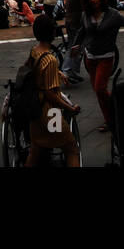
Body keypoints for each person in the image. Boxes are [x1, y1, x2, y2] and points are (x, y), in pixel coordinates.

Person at [70, 0, 124, 132]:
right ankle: (110, 119)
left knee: (100, 88)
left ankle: (118, 108)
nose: (93, 0)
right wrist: (76, 45)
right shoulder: (86, 15)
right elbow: (82, 31)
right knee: (98, 91)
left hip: (106, 57)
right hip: (90, 57)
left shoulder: (113, 15)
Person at [25, 14, 81, 167]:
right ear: (53, 33)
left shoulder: (34, 51)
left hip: (34, 111)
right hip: (51, 114)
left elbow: (35, 71)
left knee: (35, 151)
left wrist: (58, 72)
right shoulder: (50, 59)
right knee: (71, 149)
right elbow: (51, 94)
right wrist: (70, 108)